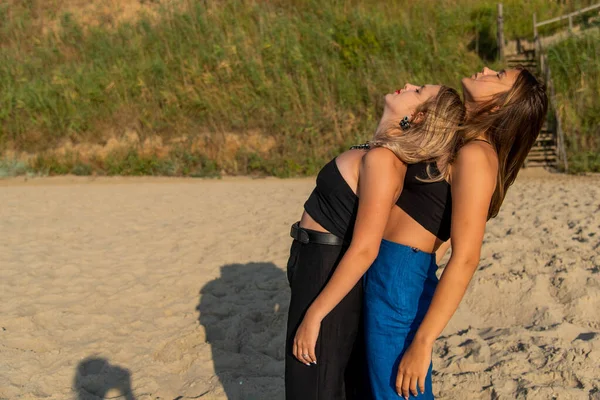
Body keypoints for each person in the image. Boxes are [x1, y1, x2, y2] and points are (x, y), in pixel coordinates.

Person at [292, 66, 548, 400]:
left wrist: (424, 341)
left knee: (396, 390)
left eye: (497, 75)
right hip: (392, 272)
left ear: (500, 106)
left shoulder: (476, 154)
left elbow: (468, 256)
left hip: (398, 278)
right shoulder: (460, 142)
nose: (486, 69)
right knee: (376, 386)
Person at [285, 83, 466, 400]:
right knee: (316, 379)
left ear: (420, 116)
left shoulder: (384, 160)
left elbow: (366, 248)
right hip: (313, 259)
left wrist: (315, 315)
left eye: (418, 90)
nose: (407, 84)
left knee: (314, 384)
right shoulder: (380, 150)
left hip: (327, 265)